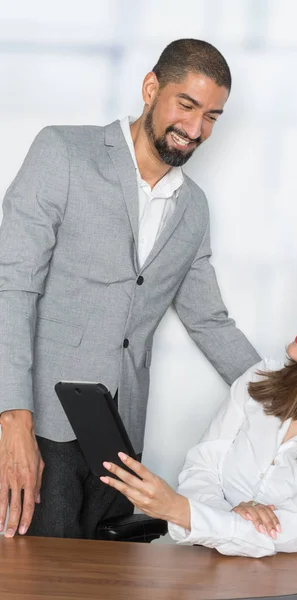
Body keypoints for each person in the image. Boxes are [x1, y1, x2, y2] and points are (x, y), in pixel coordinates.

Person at [0, 39, 261, 540]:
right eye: (187, 105)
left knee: (105, 586)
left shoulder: (194, 208)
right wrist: (14, 421)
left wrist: (290, 396)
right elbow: (13, 285)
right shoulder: (63, 152)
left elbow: (209, 320)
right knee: (37, 582)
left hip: (120, 440)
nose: (196, 128)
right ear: (150, 88)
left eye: (212, 116)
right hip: (41, 425)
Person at [101, 275, 297, 557]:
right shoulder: (259, 380)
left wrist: (181, 511)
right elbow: (201, 467)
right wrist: (229, 518)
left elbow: (288, 534)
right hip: (209, 568)